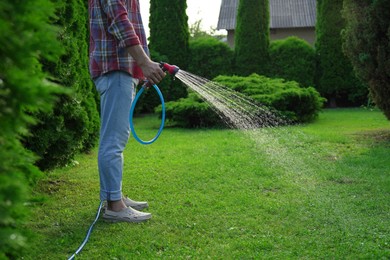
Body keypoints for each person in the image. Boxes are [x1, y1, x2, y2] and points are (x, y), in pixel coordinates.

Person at [88, 0, 165, 223]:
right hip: (115, 69)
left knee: (114, 138)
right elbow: (120, 23)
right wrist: (145, 63)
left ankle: (115, 196)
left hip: (121, 70)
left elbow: (133, 27)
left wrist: (143, 68)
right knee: (114, 140)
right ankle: (114, 206)